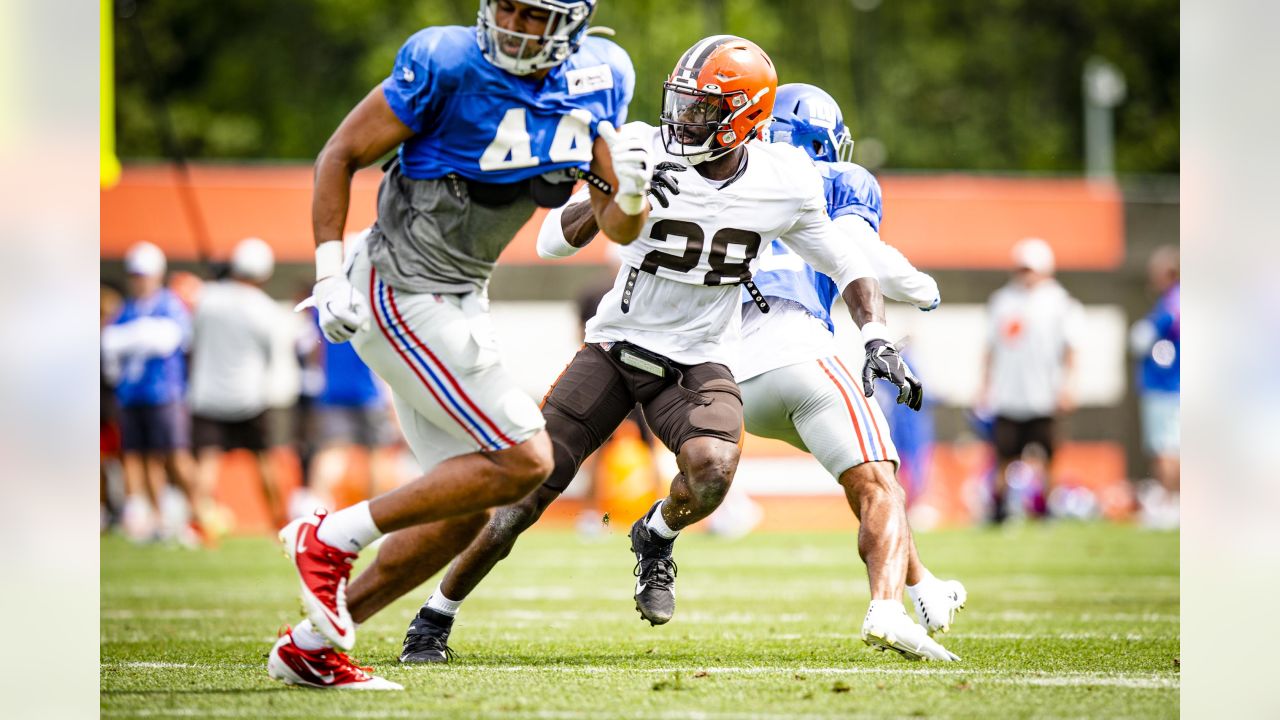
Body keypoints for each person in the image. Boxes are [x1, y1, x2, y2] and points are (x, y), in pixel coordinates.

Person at [390, 42, 924, 664]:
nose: (683, 120)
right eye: (681, 104)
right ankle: (434, 618)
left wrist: (875, 335)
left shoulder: (785, 180)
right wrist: (617, 195)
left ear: (745, 116)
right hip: (618, 348)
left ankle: (655, 535)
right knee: (527, 491)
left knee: (714, 469)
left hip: (699, 358)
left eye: (702, 110)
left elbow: (847, 262)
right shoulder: (642, 144)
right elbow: (549, 242)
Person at [267, 0, 642, 691]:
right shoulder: (445, 61)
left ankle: (312, 647)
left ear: (571, 22)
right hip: (399, 287)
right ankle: (329, 537)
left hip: (462, 295)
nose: (514, 25)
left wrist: (637, 193)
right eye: (507, 7)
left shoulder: (601, 75)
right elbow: (340, 153)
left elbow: (615, 224)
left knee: (470, 506)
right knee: (528, 458)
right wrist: (326, 272)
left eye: (534, 14)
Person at [101, 242, 202, 544]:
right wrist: (141, 335)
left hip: (165, 394)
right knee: (141, 459)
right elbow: (107, 342)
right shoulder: (128, 309)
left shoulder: (170, 304)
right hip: (132, 395)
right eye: (135, 275)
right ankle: (158, 519)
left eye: (143, 274)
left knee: (175, 457)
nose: (139, 280)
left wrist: (130, 338)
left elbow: (167, 340)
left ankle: (198, 515)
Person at [978, 238, 1084, 523]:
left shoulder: (1059, 302)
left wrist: (1069, 385)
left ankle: (1047, 509)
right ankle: (998, 509)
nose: (1025, 275)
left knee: (1048, 456)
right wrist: (985, 386)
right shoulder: (1002, 301)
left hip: (1044, 393)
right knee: (1004, 455)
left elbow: (1071, 349)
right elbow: (990, 348)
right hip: (1009, 393)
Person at [188, 237, 289, 532]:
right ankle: (279, 524)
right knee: (265, 462)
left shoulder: (207, 299)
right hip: (250, 396)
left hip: (207, 395)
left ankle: (197, 526)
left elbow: (193, 336)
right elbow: (273, 355)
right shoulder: (264, 308)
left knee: (207, 462)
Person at [1130, 245, 1179, 528]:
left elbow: (1146, 340)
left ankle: (1171, 504)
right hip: (1171, 385)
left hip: (1166, 386)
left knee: (1166, 448)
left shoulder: (1172, 304)